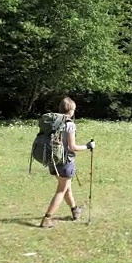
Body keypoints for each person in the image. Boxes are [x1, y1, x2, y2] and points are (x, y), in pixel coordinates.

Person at [40, 97, 95, 228]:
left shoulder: (54, 122)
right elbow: (72, 147)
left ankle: (75, 210)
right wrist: (88, 146)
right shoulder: (69, 124)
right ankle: (47, 218)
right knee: (61, 190)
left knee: (66, 188)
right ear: (70, 110)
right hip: (65, 162)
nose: (74, 112)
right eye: (74, 109)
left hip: (53, 161)